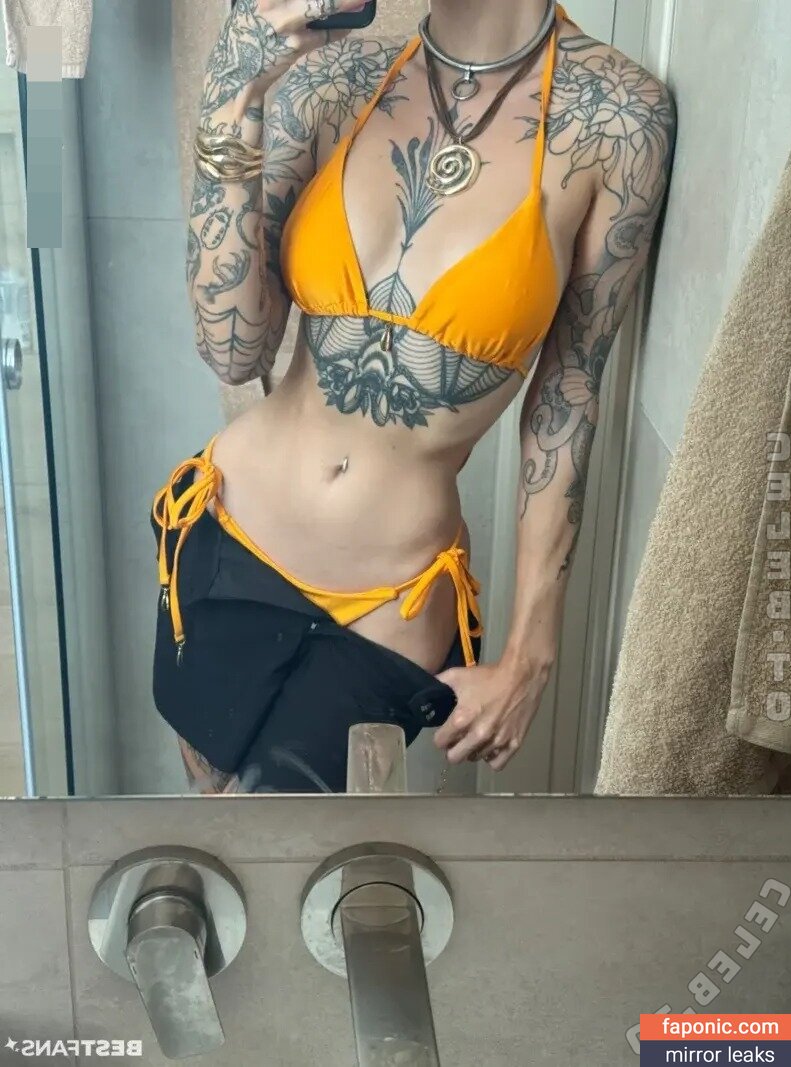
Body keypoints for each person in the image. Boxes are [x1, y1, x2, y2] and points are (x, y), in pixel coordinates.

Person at [151, 0, 676, 793]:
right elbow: (233, 350)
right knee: (208, 836)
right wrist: (234, 91)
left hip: (389, 598)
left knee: (301, 854)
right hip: (229, 528)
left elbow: (567, 392)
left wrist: (531, 649)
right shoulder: (334, 81)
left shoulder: (618, 121)